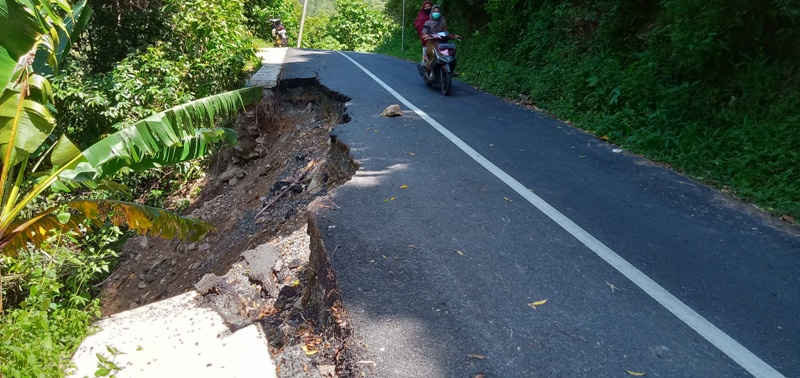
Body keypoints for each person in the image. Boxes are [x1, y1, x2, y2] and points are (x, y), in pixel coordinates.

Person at [421, 5, 459, 71]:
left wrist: (453, 35)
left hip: (442, 42)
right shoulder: (428, 23)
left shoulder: (442, 21)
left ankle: (451, 70)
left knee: (451, 54)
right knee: (431, 52)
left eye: (438, 12)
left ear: (440, 13)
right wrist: (426, 35)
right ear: (432, 12)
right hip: (431, 42)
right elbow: (424, 33)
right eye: (435, 12)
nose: (436, 13)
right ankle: (428, 66)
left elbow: (446, 31)